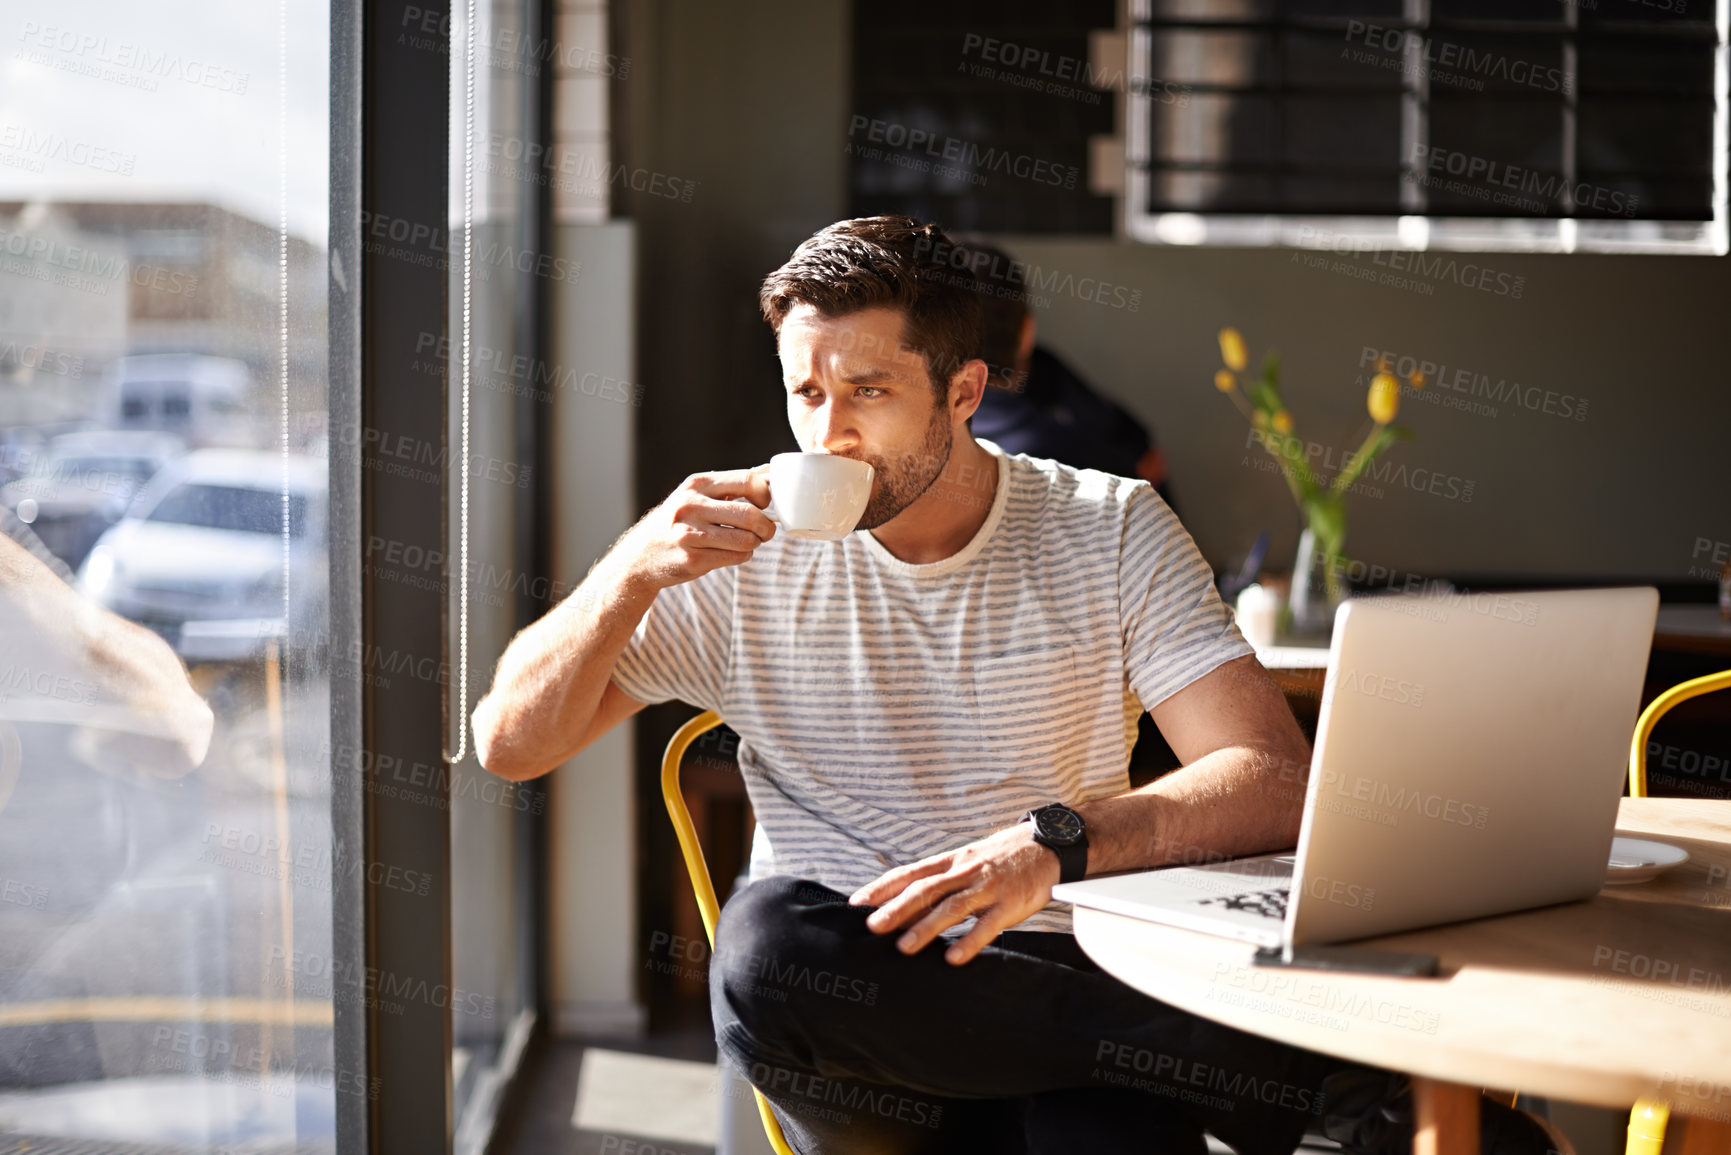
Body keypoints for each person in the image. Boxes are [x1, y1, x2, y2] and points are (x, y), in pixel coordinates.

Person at [472, 217, 1565, 1155]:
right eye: (806, 393)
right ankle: (1329, 1079)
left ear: (965, 392)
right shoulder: (739, 553)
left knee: (1100, 1110)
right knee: (770, 955)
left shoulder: (1105, 526)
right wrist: (623, 574)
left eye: (869, 391)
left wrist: (1051, 844)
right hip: (873, 1019)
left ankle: (1267, 1073)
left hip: (1077, 981)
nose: (829, 430)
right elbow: (508, 744)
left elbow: (1270, 780)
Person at [961, 241, 1172, 504]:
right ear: (1027, 331)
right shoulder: (1047, 450)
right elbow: (1147, 469)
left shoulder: (1045, 372)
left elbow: (1138, 450)